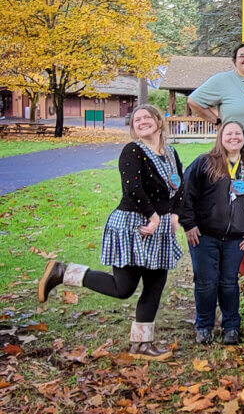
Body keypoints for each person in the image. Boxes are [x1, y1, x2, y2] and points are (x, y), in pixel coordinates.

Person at [38, 105, 184, 359]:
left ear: (159, 122)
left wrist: (174, 214)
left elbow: (179, 187)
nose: (141, 122)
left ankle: (141, 345)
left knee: (155, 285)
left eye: (147, 117)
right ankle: (62, 272)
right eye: (136, 119)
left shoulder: (171, 153)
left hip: (158, 228)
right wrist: (152, 216)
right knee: (123, 288)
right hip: (132, 225)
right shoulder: (133, 151)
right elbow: (133, 190)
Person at [180, 121, 244, 346]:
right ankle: (204, 326)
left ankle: (231, 327)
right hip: (204, 236)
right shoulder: (205, 163)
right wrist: (189, 224)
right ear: (220, 137)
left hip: (235, 239)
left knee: (229, 283)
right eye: (229, 133)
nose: (233, 137)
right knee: (206, 283)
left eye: (238, 133)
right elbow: (185, 193)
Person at [187, 42, 244, 169]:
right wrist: (216, 122)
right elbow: (193, 101)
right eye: (241, 56)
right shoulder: (222, 81)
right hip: (238, 157)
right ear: (234, 61)